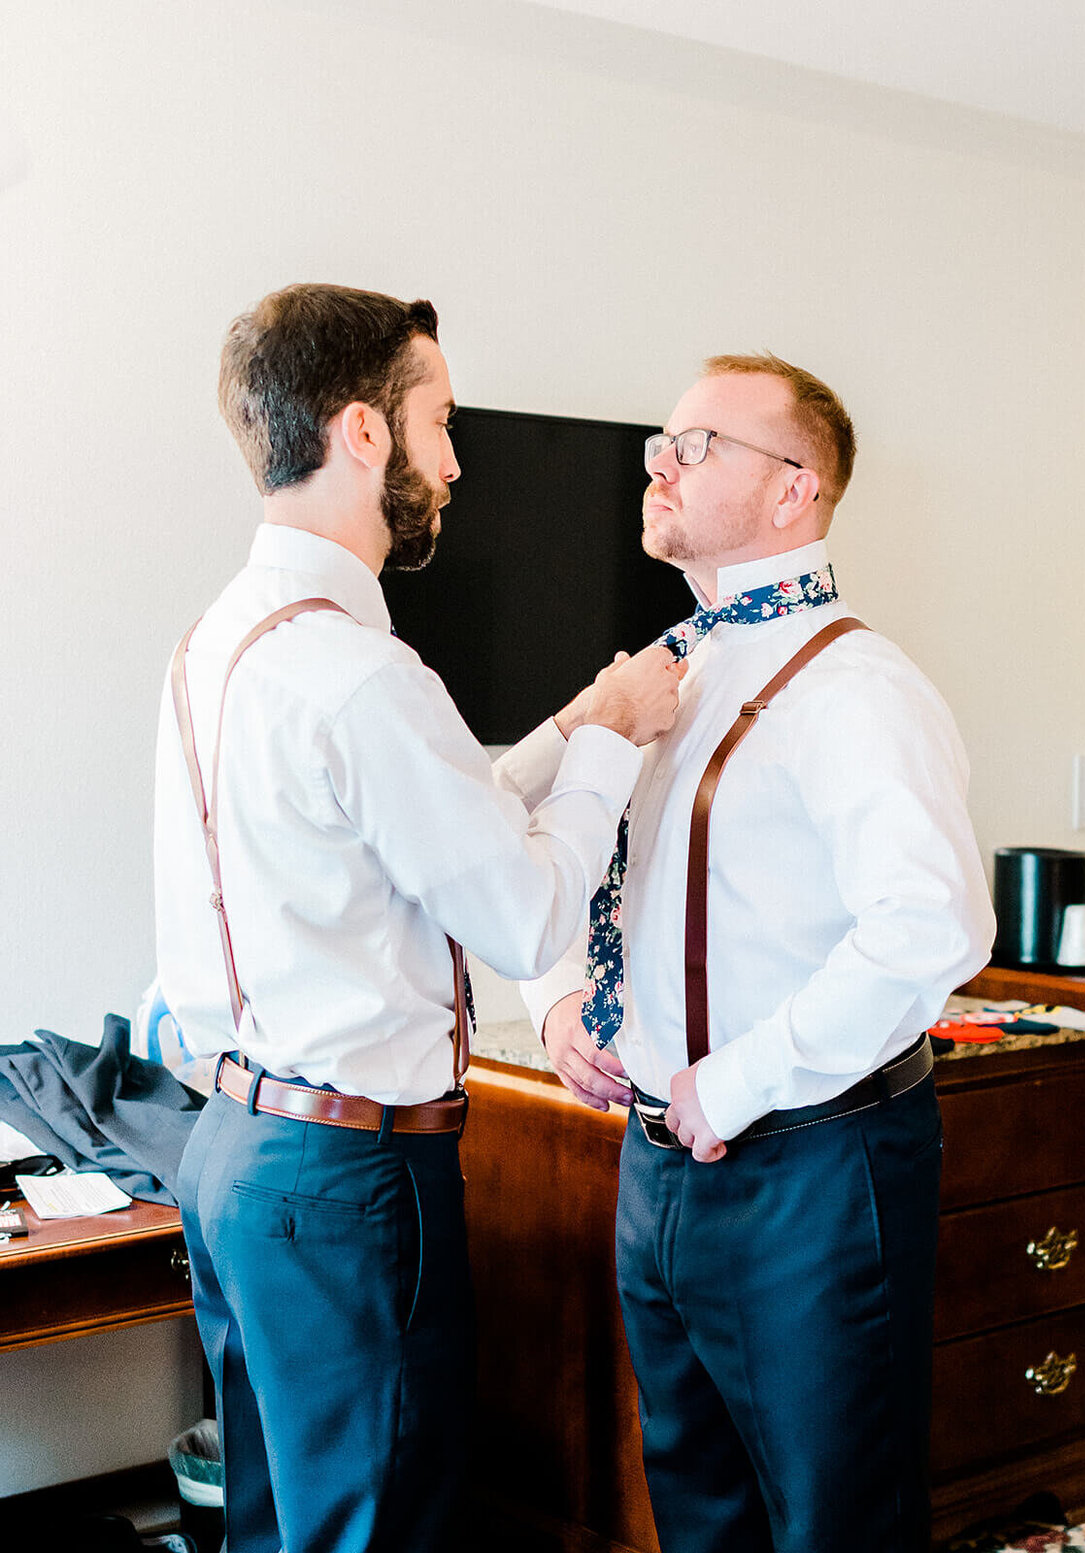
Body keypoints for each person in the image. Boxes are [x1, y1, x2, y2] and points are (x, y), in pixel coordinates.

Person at [153, 282, 685, 1553]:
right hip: (348, 1180)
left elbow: (404, 841)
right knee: (381, 1532)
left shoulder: (223, 641)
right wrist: (613, 747)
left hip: (235, 1148)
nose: (455, 462)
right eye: (440, 421)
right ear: (362, 434)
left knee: (282, 1528)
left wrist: (565, 728)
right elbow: (517, 910)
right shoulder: (363, 674)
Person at [500, 352, 995, 1552]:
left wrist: (736, 1080)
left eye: (698, 443)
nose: (658, 462)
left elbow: (933, 923)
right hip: (657, 1168)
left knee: (836, 1518)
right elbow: (543, 841)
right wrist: (560, 999)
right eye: (661, 441)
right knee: (696, 1504)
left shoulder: (859, 686)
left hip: (811, 1167)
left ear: (796, 490)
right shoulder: (667, 668)